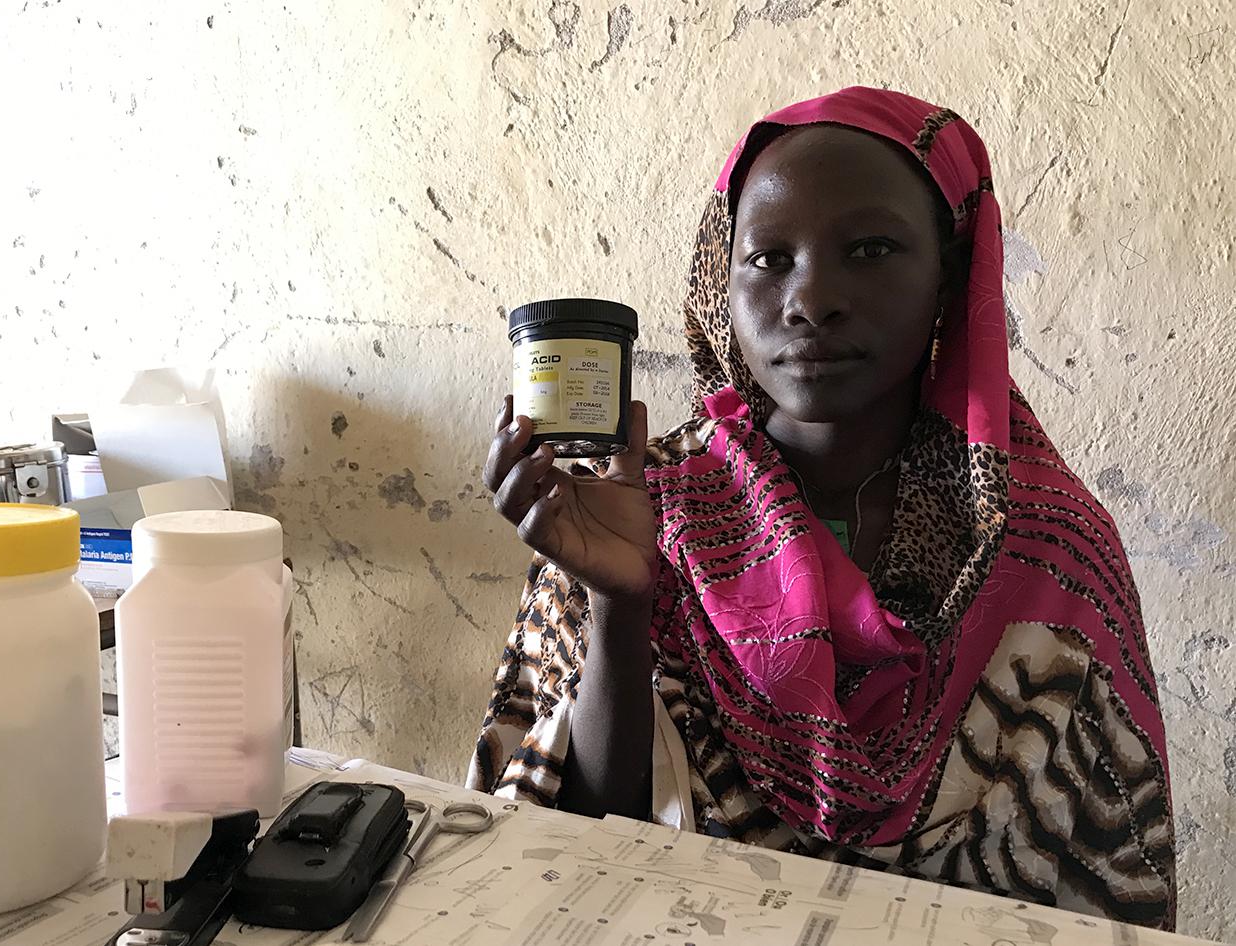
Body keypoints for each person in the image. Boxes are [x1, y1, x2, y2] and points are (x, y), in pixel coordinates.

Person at [470, 86, 1177, 930]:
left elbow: (1104, 892)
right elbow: (576, 851)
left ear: (950, 275)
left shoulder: (1045, 550)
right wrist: (620, 606)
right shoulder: (637, 502)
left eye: (871, 250)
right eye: (769, 259)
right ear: (719, 278)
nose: (811, 299)